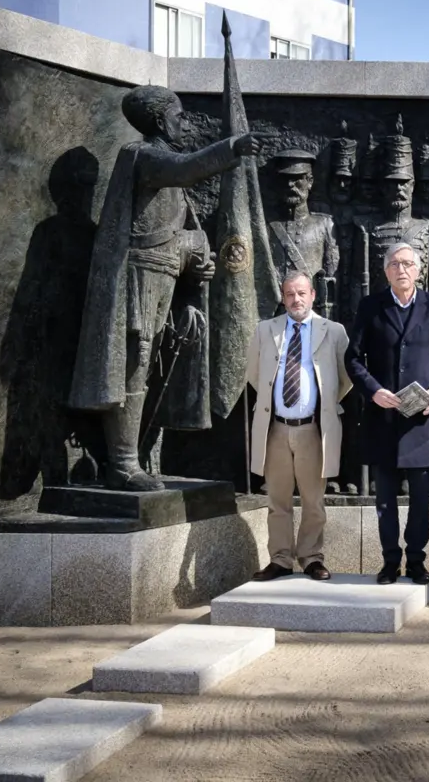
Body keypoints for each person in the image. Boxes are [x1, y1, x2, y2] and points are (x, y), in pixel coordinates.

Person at [69, 85, 260, 491]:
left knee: (148, 366)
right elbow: (187, 168)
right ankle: (122, 463)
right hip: (137, 280)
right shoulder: (142, 156)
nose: (183, 122)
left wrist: (196, 261)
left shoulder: (165, 170)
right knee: (133, 365)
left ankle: (133, 455)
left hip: (164, 281)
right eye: (178, 116)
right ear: (158, 121)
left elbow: (179, 233)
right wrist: (234, 146)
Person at [346, 242, 429, 585]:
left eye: (407, 263)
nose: (401, 269)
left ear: (419, 270)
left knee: (421, 499)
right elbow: (353, 358)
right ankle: (390, 561)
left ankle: (417, 561)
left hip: (420, 421)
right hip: (384, 419)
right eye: (394, 264)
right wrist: (373, 391)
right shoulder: (370, 306)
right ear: (385, 271)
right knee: (386, 499)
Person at [245, 271, 352, 582]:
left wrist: (325, 403)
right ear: (283, 297)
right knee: (277, 500)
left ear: (313, 295)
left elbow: (345, 377)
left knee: (313, 501)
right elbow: (253, 373)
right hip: (275, 428)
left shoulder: (332, 331)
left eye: (302, 293)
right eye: (290, 294)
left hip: (312, 429)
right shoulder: (266, 330)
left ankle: (311, 558)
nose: (296, 299)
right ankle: (279, 559)